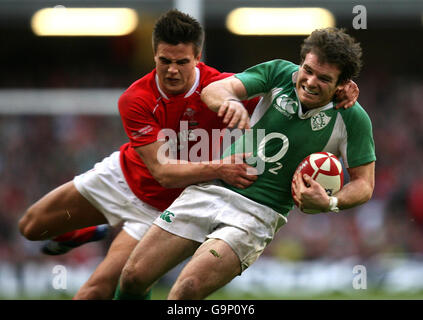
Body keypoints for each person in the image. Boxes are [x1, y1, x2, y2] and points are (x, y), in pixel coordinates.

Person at [19, 10, 357, 299]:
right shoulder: (135, 98)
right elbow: (162, 171)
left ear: (198, 58)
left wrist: (341, 90)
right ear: (154, 56)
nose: (172, 71)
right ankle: (91, 231)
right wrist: (220, 167)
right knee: (31, 227)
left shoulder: (223, 86)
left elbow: (294, 99)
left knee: (97, 291)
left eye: (182, 62)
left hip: (167, 205)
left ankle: (121, 245)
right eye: (164, 61)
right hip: (127, 176)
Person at [115, 27, 375, 300]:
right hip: (210, 188)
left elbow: (364, 184)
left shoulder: (353, 119)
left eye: (324, 78)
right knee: (133, 277)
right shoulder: (279, 73)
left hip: (256, 216)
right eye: (307, 70)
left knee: (185, 292)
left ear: (342, 83)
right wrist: (229, 102)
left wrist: (330, 203)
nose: (310, 81)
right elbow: (216, 89)